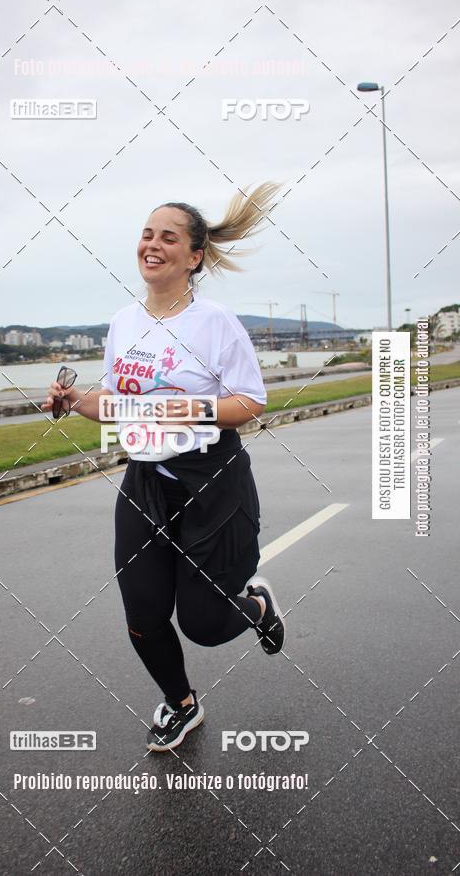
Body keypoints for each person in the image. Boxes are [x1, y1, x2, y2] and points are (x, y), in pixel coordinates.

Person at [43, 183, 285, 752]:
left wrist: (181, 406)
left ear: (194, 256)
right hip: (144, 481)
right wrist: (76, 402)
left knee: (203, 624)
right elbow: (117, 402)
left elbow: (250, 403)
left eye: (168, 237)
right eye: (147, 234)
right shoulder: (123, 322)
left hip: (211, 481)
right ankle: (181, 704)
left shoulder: (216, 321)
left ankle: (256, 605)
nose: (152, 245)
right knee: (143, 614)